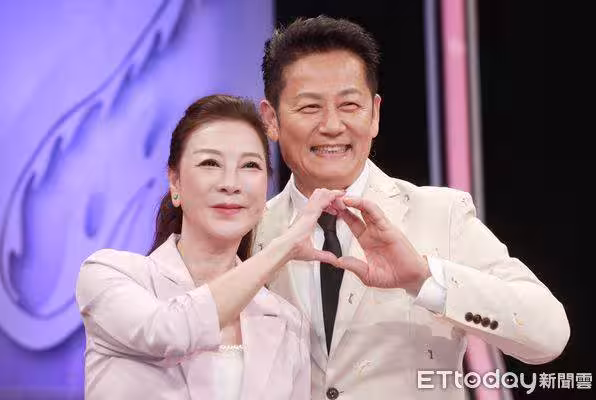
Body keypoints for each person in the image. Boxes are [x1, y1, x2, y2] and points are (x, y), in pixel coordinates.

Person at [255, 16, 570, 399]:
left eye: (349, 105)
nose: (332, 125)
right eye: (309, 108)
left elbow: (549, 333)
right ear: (271, 120)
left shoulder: (441, 214)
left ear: (375, 114)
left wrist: (425, 278)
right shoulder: (252, 229)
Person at [75, 95, 346, 399]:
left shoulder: (286, 321)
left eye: (250, 165)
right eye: (210, 163)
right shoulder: (110, 275)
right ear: (175, 183)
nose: (230, 183)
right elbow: (168, 332)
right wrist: (284, 246)